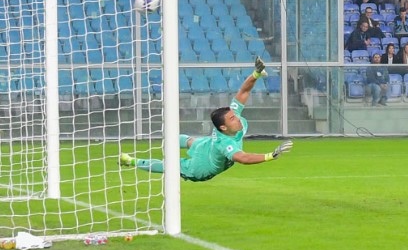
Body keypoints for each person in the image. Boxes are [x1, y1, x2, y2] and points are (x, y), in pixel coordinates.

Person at [120, 58, 292, 180]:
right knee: (168, 166)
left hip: (207, 148)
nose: (238, 119)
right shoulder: (225, 143)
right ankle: (132, 161)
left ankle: (137, 156)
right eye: (232, 119)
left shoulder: (230, 121)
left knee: (189, 141)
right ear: (223, 128)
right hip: (200, 168)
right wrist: (270, 155)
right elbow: (242, 158)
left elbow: (243, 91)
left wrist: (256, 74)